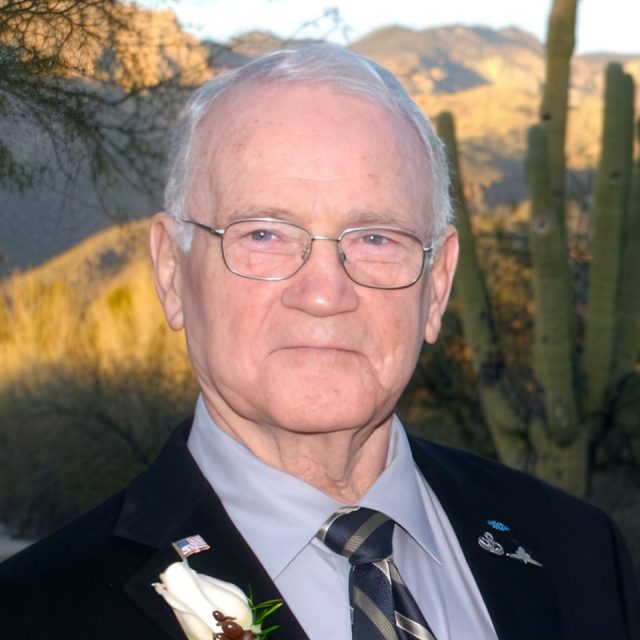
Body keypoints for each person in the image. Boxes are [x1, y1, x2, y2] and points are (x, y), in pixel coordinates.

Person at [0, 43, 638, 640]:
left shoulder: (579, 554)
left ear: (438, 286)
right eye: (263, 234)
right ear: (172, 272)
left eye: (375, 238)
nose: (325, 292)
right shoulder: (36, 611)